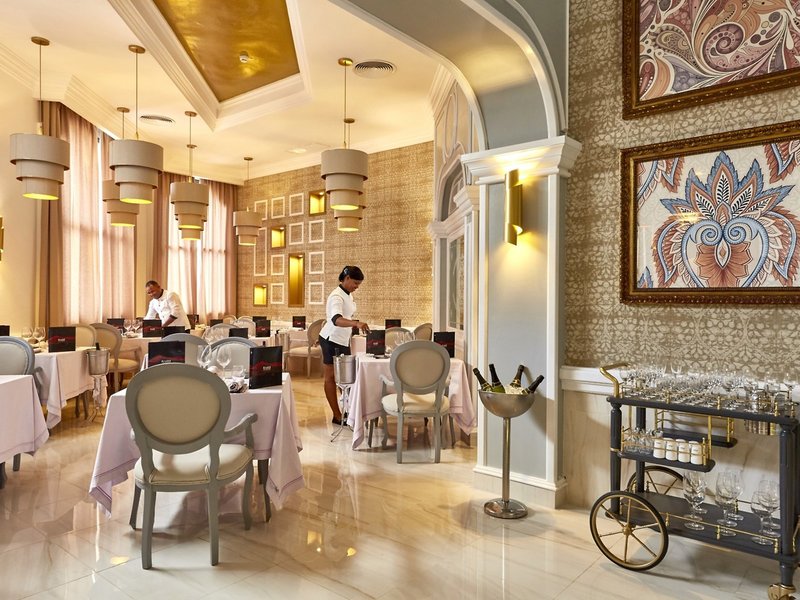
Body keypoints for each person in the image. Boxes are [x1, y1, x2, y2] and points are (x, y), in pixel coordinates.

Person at [319, 266, 369, 425]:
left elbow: (346, 316)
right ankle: (337, 415)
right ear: (346, 278)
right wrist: (356, 324)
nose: (357, 287)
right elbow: (336, 319)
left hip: (342, 340)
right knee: (331, 377)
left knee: (346, 379)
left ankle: (349, 410)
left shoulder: (348, 294)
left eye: (359, 284)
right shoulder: (336, 296)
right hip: (331, 339)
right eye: (355, 283)